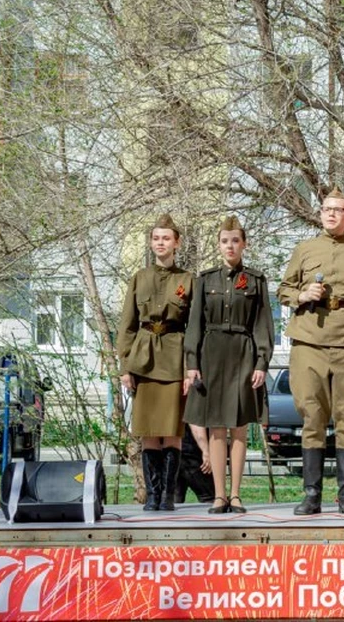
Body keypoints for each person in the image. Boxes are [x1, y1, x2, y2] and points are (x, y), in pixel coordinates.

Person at [277, 187, 344, 516]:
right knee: (312, 417)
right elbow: (283, 289)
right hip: (309, 343)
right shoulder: (305, 249)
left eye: (338, 210)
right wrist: (302, 294)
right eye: (326, 209)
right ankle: (311, 495)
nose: (331, 214)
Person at [184, 216, 274, 514]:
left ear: (244, 244)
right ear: (219, 244)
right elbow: (194, 324)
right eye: (225, 241)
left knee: (239, 426)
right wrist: (192, 362)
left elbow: (263, 324)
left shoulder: (256, 280)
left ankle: (236, 495)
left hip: (243, 354)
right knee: (216, 426)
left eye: (235, 240)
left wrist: (261, 361)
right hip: (212, 354)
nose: (230, 246)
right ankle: (219, 496)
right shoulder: (205, 279)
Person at [117, 213, 192, 511]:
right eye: (156, 238)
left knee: (172, 431)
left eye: (166, 238)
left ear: (177, 243)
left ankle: (168, 496)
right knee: (149, 431)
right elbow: (127, 325)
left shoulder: (187, 280)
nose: (161, 243)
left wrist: (190, 368)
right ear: (151, 243)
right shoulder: (140, 277)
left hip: (174, 358)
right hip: (144, 359)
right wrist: (125, 366)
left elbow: (194, 329)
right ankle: (152, 494)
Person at [175, 424, 214, 504]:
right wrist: (206, 451)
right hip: (193, 456)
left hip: (174, 454)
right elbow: (196, 424)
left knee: (174, 500)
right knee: (209, 497)